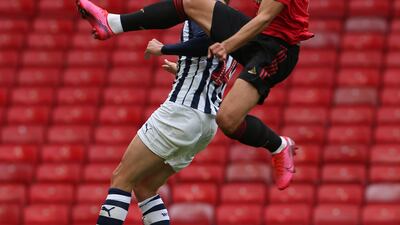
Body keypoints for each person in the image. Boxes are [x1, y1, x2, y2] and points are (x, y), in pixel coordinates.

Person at [77, 0, 311, 190]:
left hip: (276, 50)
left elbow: (264, 18)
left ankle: (279, 146)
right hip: (257, 39)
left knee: (228, 120)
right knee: (190, 2)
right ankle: (112, 23)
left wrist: (225, 45)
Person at [86, 2, 238, 224]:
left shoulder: (203, 11)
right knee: (145, 187)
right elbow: (215, 67)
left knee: (122, 179)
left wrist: (165, 48)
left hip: (182, 112)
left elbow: (209, 44)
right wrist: (182, 70)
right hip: (206, 123)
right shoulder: (236, 25)